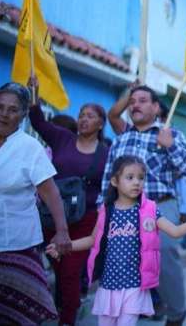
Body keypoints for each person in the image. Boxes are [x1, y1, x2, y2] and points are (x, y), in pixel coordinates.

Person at [46, 155, 186, 326]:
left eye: (141, 178)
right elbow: (92, 240)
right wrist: (66, 247)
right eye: (130, 177)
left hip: (134, 287)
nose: (137, 182)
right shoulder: (106, 211)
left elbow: (175, 232)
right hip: (108, 287)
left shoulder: (149, 211)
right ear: (115, 181)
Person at [101, 85, 186, 326]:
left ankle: (176, 312)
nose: (135, 105)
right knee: (127, 261)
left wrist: (170, 145)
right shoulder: (121, 139)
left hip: (160, 206)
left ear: (155, 107)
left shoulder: (170, 133)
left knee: (163, 258)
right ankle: (140, 307)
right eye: (132, 101)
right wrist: (104, 209)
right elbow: (108, 177)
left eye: (143, 100)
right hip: (124, 210)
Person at [27, 76, 110, 326]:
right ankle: (59, 304)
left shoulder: (106, 153)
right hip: (53, 216)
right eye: (81, 114)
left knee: (71, 272)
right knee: (59, 269)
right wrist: (34, 95)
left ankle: (67, 319)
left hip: (85, 221)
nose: (83, 119)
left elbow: (111, 187)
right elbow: (38, 122)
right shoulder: (63, 138)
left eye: (90, 116)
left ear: (100, 124)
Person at [0, 82, 71, 324]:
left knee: (27, 311)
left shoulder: (29, 148)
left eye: (12, 109)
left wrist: (62, 232)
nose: (4, 114)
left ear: (22, 115)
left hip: (18, 242)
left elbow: (50, 193)